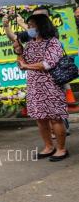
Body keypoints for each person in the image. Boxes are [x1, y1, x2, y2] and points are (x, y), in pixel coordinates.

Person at [17, 14, 69, 162]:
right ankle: (48, 146)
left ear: (42, 25)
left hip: (51, 85)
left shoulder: (53, 43)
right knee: (40, 119)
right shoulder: (30, 44)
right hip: (34, 85)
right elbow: (21, 65)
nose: (30, 28)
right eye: (30, 25)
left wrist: (27, 66)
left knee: (55, 118)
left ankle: (61, 149)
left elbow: (47, 64)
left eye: (33, 25)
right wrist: (18, 52)